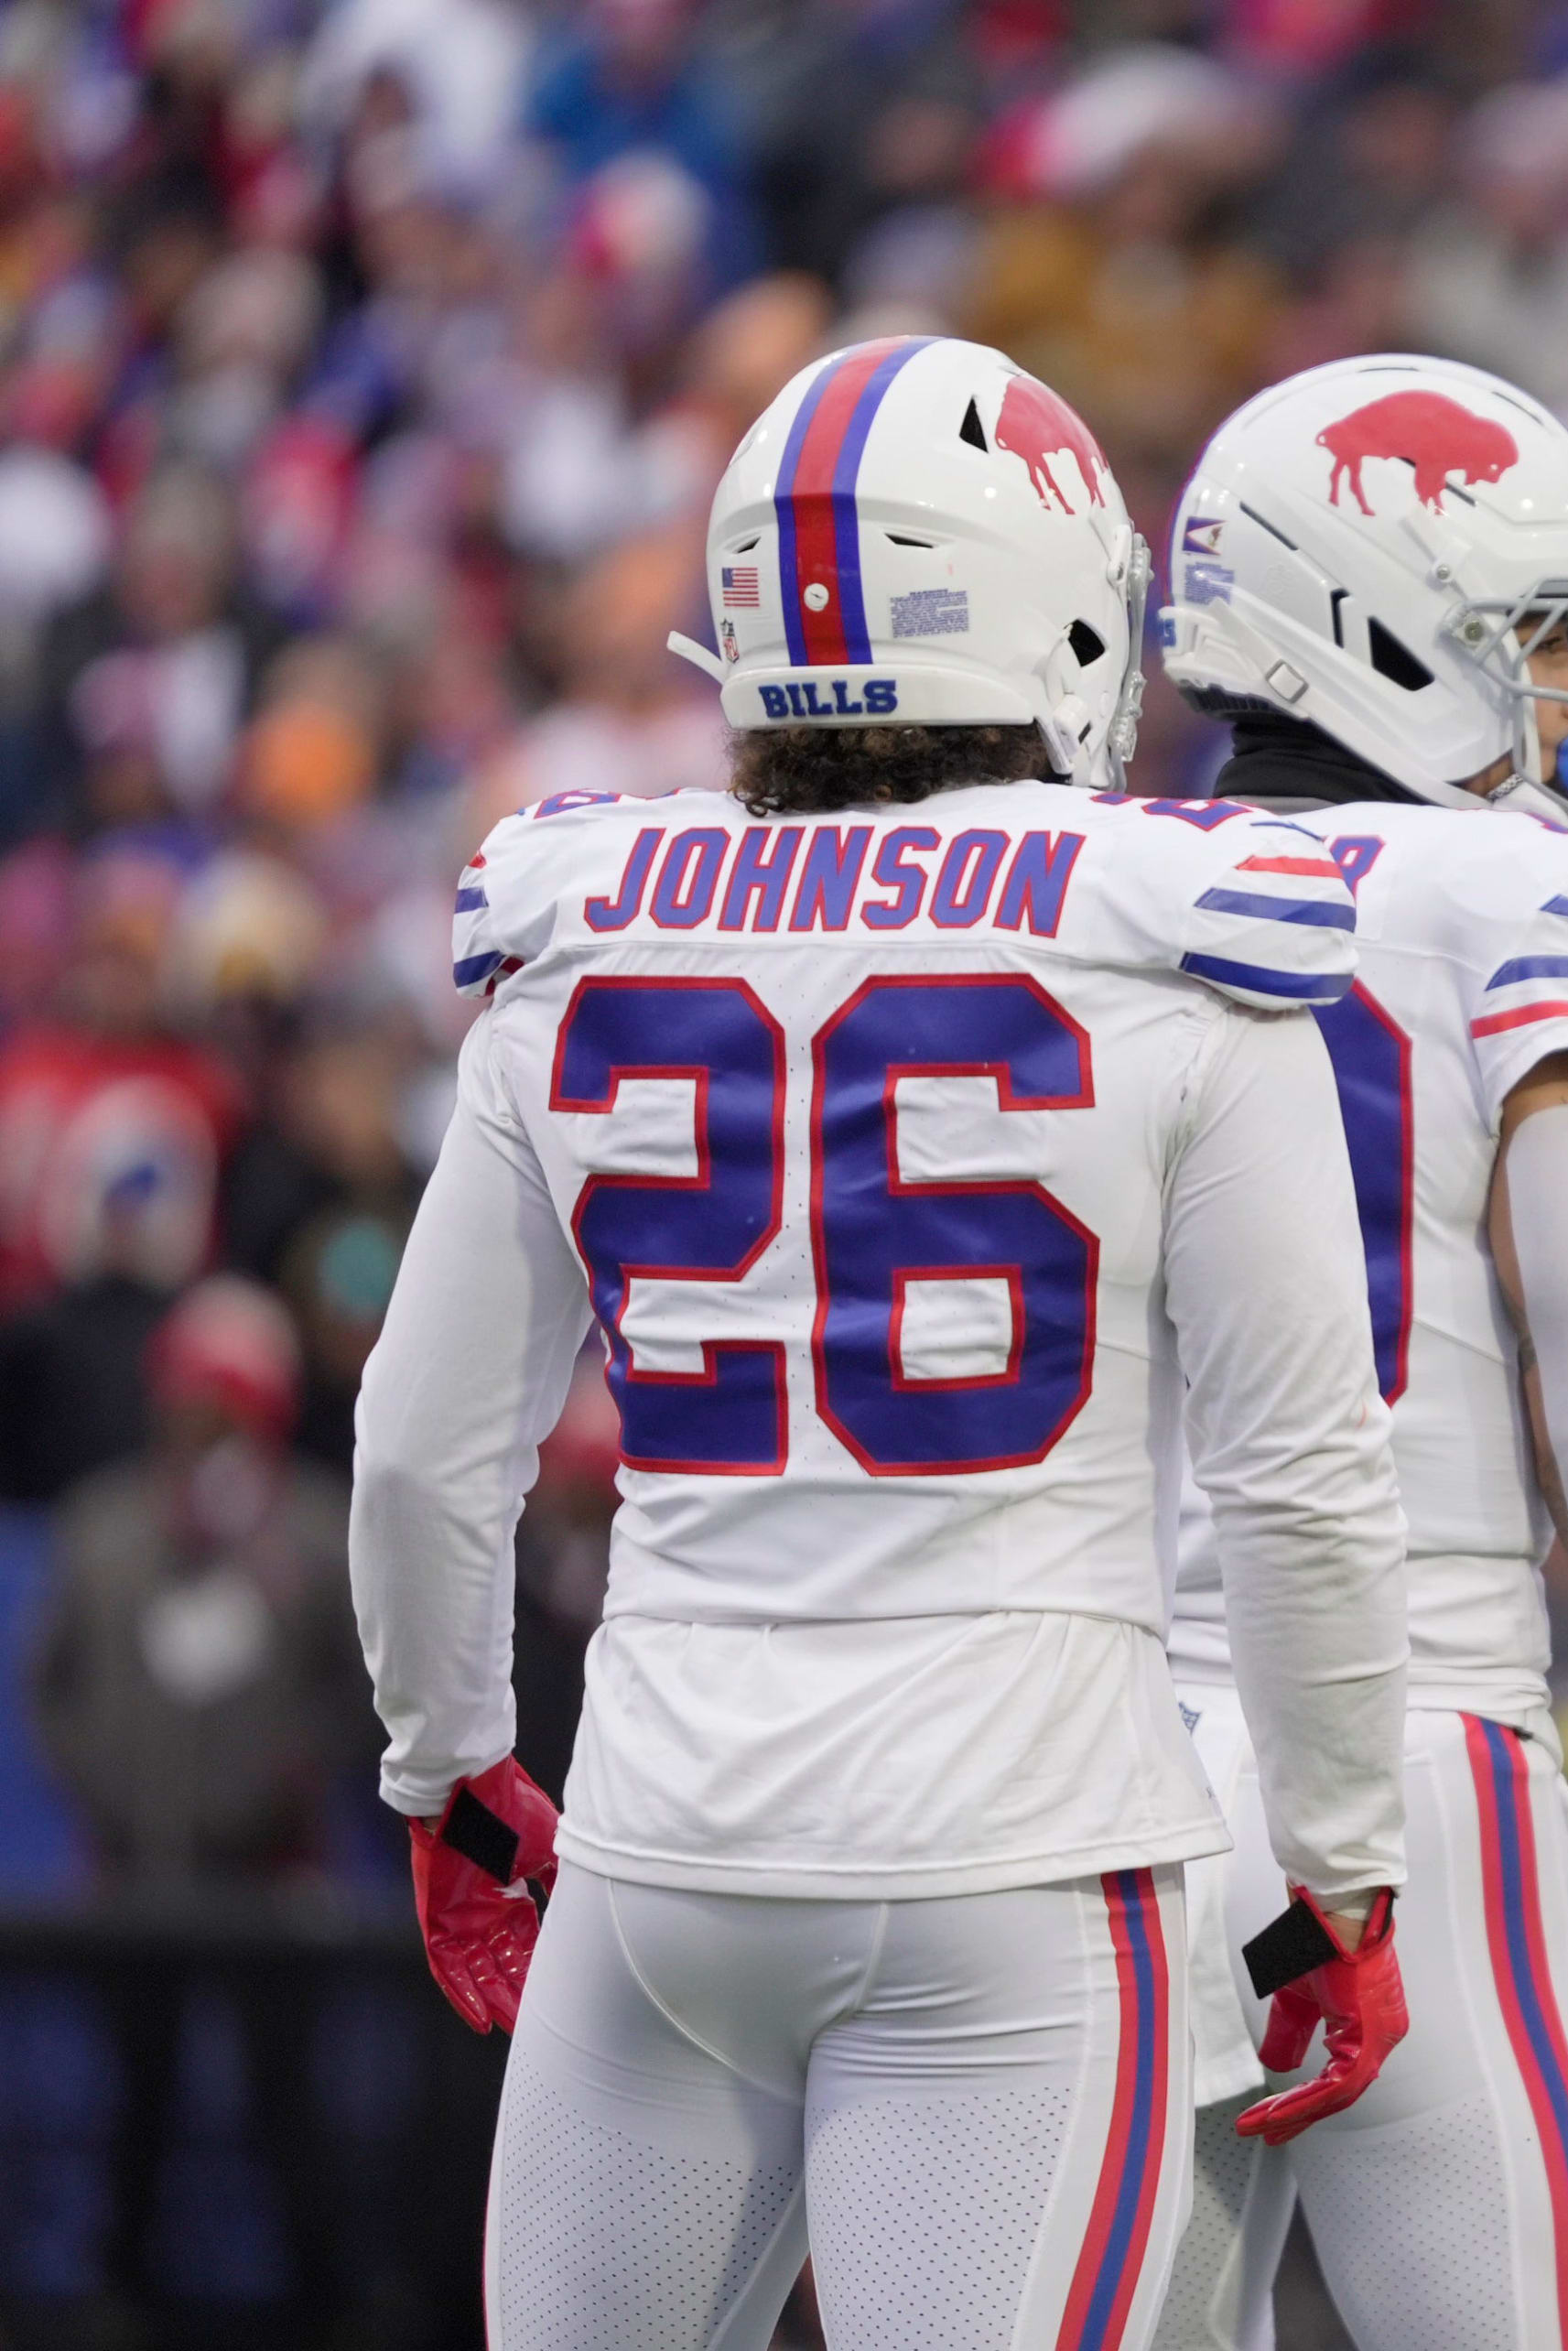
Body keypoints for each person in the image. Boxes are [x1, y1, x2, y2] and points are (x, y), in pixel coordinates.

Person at [350, 334, 1415, 2351]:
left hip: (661, 1852)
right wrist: (1342, 1869)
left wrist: (449, 1768)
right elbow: (1298, 1478)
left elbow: (421, 1445)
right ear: (1058, 613)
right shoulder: (1180, 931)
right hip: (1023, 1857)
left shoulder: (581, 921)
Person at [1145, 352, 1568, 2351]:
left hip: (1097, 1747)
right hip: (1412, 1727)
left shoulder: (1085, 884)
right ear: (1376, 626)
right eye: (1535, 636)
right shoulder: (1516, 893)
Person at [26, 1274, 366, 2334]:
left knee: (288, 2101)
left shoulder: (316, 1532)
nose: (204, 1422)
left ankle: (324, 2306)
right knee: (135, 2099)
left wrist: (288, 1778)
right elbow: (49, 1687)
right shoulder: (103, 1526)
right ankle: (116, 2297)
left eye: (227, 1401)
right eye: (192, 1399)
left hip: (271, 1870)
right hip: (133, 1869)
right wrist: (106, 1787)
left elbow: (355, 1693)